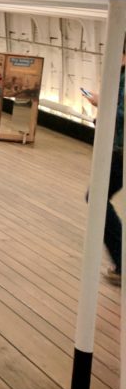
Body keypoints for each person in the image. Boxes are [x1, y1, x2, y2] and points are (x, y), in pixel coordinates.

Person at [84, 41, 126, 284]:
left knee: (97, 199)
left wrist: (102, 103)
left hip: (118, 151)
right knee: (98, 198)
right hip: (116, 150)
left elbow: (120, 112)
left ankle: (121, 262)